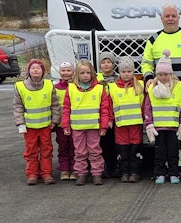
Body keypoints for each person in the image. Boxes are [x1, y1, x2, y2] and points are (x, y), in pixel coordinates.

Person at [61, 60, 112, 185]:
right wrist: (65, 125)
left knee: (95, 151)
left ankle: (97, 174)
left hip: (94, 127)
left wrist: (103, 126)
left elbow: (104, 109)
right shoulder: (71, 88)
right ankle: (81, 173)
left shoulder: (99, 88)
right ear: (77, 74)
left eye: (88, 73)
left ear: (92, 74)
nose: (85, 75)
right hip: (77, 128)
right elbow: (66, 108)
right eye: (82, 73)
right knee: (79, 152)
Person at [12, 57, 60, 185]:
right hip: (29, 127)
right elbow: (18, 106)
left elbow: (55, 105)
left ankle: (46, 173)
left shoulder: (49, 85)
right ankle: (32, 173)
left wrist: (55, 121)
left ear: (43, 71)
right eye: (32, 67)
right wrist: (20, 123)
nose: (35, 70)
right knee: (31, 151)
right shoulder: (20, 87)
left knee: (46, 150)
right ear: (29, 71)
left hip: (45, 126)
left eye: (38, 68)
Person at [143, 51, 181, 184]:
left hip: (173, 127)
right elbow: (148, 107)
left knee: (173, 152)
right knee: (160, 152)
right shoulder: (152, 88)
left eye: (166, 74)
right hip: (158, 127)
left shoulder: (178, 87)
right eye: (160, 74)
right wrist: (149, 124)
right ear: (157, 75)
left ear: (170, 74)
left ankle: (174, 173)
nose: (163, 77)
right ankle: (160, 173)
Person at [108, 58, 145, 182]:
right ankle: (124, 172)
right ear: (119, 72)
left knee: (135, 151)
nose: (126, 74)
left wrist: (146, 119)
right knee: (123, 151)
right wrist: (109, 119)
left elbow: (144, 104)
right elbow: (109, 105)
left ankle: (135, 172)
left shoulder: (140, 86)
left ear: (133, 72)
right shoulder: (112, 87)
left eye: (129, 71)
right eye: (123, 71)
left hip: (135, 125)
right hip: (121, 125)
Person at [141, 4, 181, 81]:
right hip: (161, 88)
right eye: (167, 16)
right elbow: (146, 63)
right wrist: (149, 78)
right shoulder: (153, 39)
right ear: (161, 18)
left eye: (173, 16)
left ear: (178, 18)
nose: (170, 19)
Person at [53, 60, 77, 180]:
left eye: (69, 70)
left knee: (75, 147)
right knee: (63, 147)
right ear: (59, 72)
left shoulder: (76, 87)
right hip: (60, 125)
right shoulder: (55, 88)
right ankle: (64, 169)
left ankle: (74, 169)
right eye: (63, 70)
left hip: (75, 124)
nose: (66, 73)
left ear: (73, 72)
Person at [97, 54, 119, 177]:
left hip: (117, 115)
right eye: (103, 62)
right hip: (103, 116)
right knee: (103, 143)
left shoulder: (118, 79)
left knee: (116, 143)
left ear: (113, 64)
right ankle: (105, 166)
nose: (106, 64)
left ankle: (115, 165)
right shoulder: (96, 79)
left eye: (109, 62)